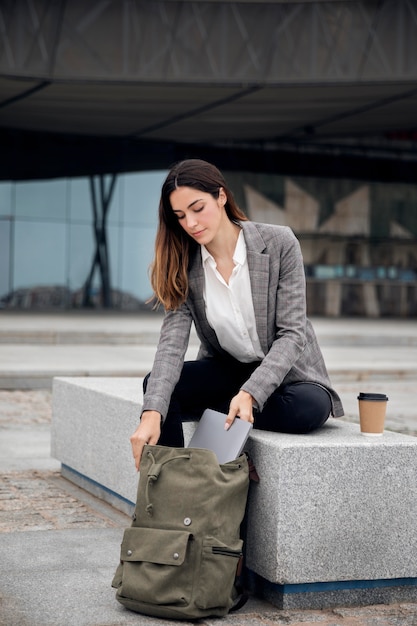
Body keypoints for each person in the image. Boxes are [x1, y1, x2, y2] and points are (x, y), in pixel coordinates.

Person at [130, 159, 344, 469]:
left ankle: (221, 407)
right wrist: (151, 413)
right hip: (229, 370)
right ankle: (172, 485)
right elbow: (171, 347)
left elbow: (292, 334)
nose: (190, 223)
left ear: (221, 196)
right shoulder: (184, 265)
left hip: (289, 375)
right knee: (158, 385)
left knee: (306, 409)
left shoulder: (279, 243)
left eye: (197, 208)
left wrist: (251, 394)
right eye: (180, 216)